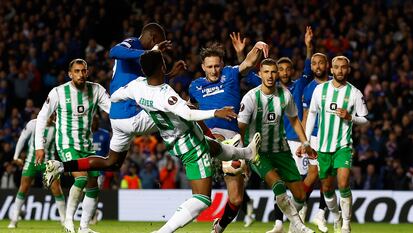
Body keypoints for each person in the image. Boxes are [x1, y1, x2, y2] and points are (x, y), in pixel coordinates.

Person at [45, 50, 261, 233]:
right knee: (203, 199)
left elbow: (117, 96)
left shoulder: (137, 85)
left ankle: (247, 153)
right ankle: (162, 231)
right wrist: (217, 112)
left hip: (173, 138)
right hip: (188, 142)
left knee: (214, 146)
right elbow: (189, 115)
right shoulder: (166, 95)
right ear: (161, 67)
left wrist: (137, 106)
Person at [39, 23, 184, 176]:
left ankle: (60, 167)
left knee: (112, 163)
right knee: (183, 112)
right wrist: (149, 53)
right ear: (153, 37)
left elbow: (153, 84)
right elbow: (114, 51)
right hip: (132, 115)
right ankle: (203, 151)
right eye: (159, 44)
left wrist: (170, 76)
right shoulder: (133, 44)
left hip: (118, 118)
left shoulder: (144, 58)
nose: (159, 50)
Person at [189, 39, 268, 233]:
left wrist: (257, 45)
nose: (214, 70)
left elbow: (249, 63)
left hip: (232, 138)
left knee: (237, 199)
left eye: (217, 66)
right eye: (210, 67)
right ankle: (243, 152)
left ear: (222, 65)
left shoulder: (231, 74)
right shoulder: (195, 86)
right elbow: (190, 109)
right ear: (203, 67)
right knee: (212, 140)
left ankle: (219, 226)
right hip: (208, 137)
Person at [238, 58, 316, 233]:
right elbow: (240, 130)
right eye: (266, 72)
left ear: (278, 74)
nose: (270, 76)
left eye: (274, 72)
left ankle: (291, 227)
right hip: (258, 152)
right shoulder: (251, 98)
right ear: (260, 74)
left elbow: (295, 120)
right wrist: (242, 157)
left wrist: (305, 142)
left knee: (301, 196)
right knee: (278, 185)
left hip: (281, 150)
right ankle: (299, 225)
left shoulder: (285, 94)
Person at [35, 58, 110, 233]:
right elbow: (42, 116)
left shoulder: (96, 90)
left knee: (94, 183)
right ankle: (68, 222)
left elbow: (112, 110)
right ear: (70, 74)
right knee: (82, 178)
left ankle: (84, 227)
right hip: (67, 144)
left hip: (87, 146)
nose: (80, 74)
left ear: (87, 72)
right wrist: (39, 146)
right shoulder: (58, 92)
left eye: (83, 71)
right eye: (76, 71)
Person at [305, 56, 369, 233]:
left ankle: (346, 224)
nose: (340, 70)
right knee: (326, 189)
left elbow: (365, 119)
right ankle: (336, 216)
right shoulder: (320, 89)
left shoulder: (355, 93)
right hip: (323, 148)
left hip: (343, 146)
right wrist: (306, 141)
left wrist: (351, 117)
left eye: (343, 67)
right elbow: (311, 114)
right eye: (336, 67)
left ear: (348, 70)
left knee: (343, 183)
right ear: (331, 70)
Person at [8, 115, 66, 229]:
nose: (51, 119)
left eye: (52, 117)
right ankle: (14, 220)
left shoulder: (57, 128)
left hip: (48, 163)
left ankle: (64, 220)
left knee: (56, 188)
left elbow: (62, 146)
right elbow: (22, 138)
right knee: (23, 188)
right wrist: (16, 156)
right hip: (31, 161)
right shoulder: (33, 124)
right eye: (49, 117)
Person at [302, 52, 332, 232]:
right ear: (311, 66)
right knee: (314, 174)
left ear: (327, 65)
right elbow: (306, 116)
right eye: (314, 63)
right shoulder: (309, 88)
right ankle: (301, 208)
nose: (318, 66)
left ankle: (320, 214)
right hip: (314, 136)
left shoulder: (335, 86)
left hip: (332, 136)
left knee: (326, 175)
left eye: (321, 63)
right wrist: (304, 141)